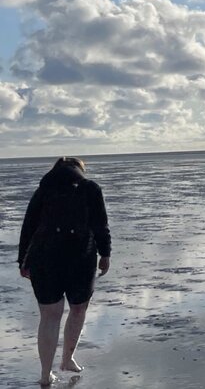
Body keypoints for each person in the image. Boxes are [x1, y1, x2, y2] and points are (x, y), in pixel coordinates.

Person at [17, 157, 111, 387]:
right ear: (79, 170)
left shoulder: (43, 190)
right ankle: (67, 359)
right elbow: (101, 224)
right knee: (78, 309)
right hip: (80, 256)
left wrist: (23, 261)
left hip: (44, 258)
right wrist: (105, 253)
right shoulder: (90, 188)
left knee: (49, 315)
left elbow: (28, 226)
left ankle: (45, 373)